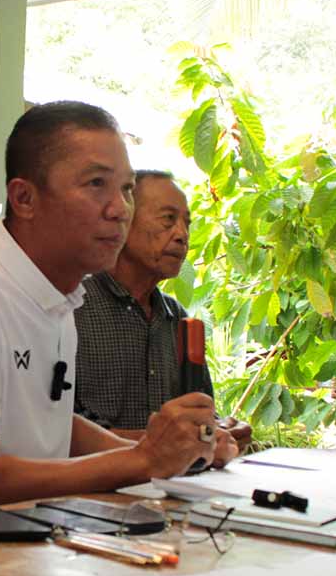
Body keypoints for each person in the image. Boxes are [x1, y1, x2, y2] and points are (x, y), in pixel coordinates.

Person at [0, 102, 237, 518]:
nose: (120, 209)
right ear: (25, 198)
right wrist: (143, 460)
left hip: (38, 539)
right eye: (96, 184)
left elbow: (53, 423)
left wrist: (177, 450)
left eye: (126, 189)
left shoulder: (58, 299)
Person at [75, 170, 252, 449]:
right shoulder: (73, 307)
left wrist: (220, 430)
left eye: (186, 224)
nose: (182, 235)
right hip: (91, 477)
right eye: (168, 219)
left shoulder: (178, 319)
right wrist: (168, 444)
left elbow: (199, 415)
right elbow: (55, 429)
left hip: (175, 478)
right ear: (123, 221)